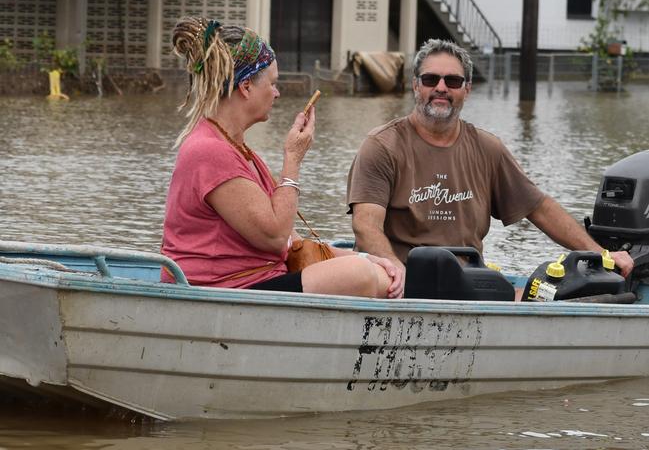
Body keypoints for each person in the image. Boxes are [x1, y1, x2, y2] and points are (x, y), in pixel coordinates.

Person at [346, 38, 634, 292]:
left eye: (453, 81)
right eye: (431, 79)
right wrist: (400, 276)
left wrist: (603, 255)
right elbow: (366, 227)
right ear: (415, 85)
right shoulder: (382, 145)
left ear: (467, 89)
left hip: (466, 282)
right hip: (396, 283)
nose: (441, 88)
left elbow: (539, 208)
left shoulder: (487, 148)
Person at [161, 16, 402, 298]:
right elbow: (275, 238)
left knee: (371, 268)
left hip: (254, 283)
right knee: (362, 276)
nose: (276, 93)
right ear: (246, 86)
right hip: (224, 291)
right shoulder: (210, 151)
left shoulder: (234, 146)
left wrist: (365, 257)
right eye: (272, 83)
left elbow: (291, 241)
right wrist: (293, 159)